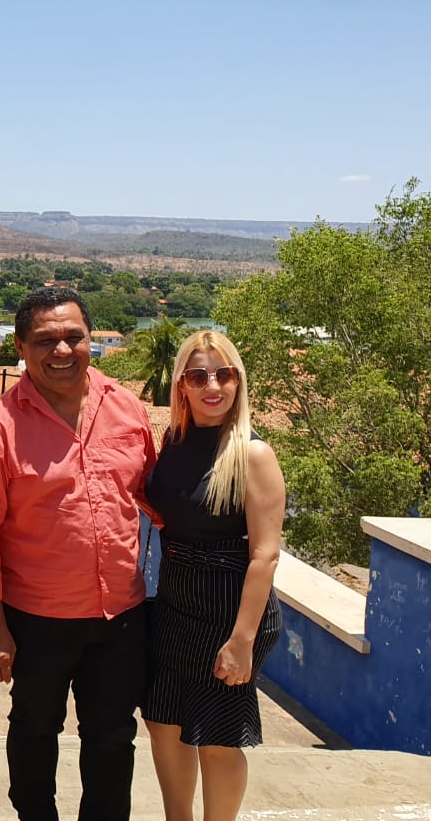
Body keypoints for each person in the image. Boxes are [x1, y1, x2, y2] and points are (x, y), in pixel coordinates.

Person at [0, 286, 157, 821]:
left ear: (91, 340)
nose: (61, 351)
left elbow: (154, 494)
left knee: (113, 737)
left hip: (120, 614)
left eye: (73, 337)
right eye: (45, 341)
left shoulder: (126, 408)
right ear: (21, 347)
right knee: (36, 731)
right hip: (37, 617)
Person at [142, 331, 285, 821]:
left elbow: (265, 554)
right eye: (199, 375)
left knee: (218, 736)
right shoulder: (175, 441)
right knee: (163, 721)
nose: (213, 385)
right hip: (176, 599)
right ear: (181, 384)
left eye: (225, 375)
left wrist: (241, 640)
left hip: (231, 608)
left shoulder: (253, 454)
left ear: (239, 382)